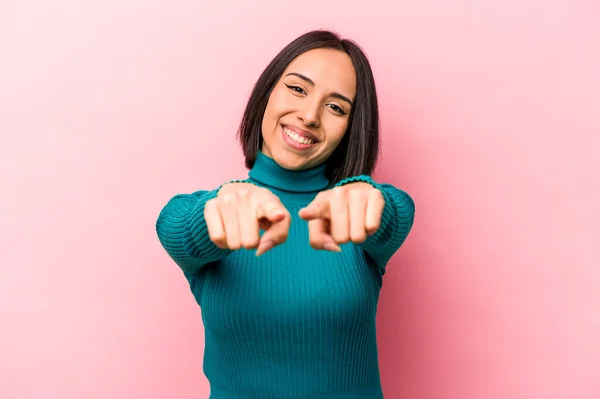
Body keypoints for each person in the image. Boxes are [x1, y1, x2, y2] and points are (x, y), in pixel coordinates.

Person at [155, 29, 415, 399]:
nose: (309, 115)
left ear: (349, 130)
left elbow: (396, 213)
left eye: (336, 106)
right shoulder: (214, 211)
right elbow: (177, 225)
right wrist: (211, 217)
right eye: (297, 88)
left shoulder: (358, 215)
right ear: (267, 93)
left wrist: (371, 201)